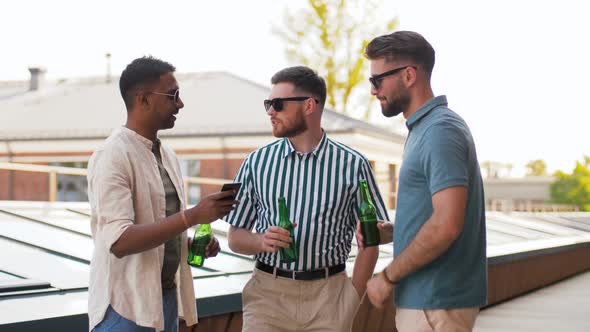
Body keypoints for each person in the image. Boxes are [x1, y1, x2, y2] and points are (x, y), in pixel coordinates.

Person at [224, 66, 389, 332]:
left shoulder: (354, 164)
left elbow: (372, 238)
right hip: (267, 297)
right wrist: (260, 240)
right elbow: (234, 237)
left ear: (309, 105)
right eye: (268, 104)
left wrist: (352, 298)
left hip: (330, 298)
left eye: (277, 104)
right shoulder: (256, 162)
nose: (270, 111)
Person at [87, 56, 238, 332]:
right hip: (125, 307)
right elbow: (119, 241)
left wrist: (189, 246)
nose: (180, 104)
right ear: (143, 99)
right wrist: (192, 216)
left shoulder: (167, 155)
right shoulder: (112, 155)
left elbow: (158, 225)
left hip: (163, 301)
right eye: (173, 95)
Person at [360, 31, 487, 331]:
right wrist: (395, 232)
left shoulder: (439, 132)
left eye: (377, 80)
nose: (373, 91)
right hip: (430, 302)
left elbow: (447, 225)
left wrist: (387, 277)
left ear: (408, 75)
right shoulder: (425, 129)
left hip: (434, 302)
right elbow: (439, 217)